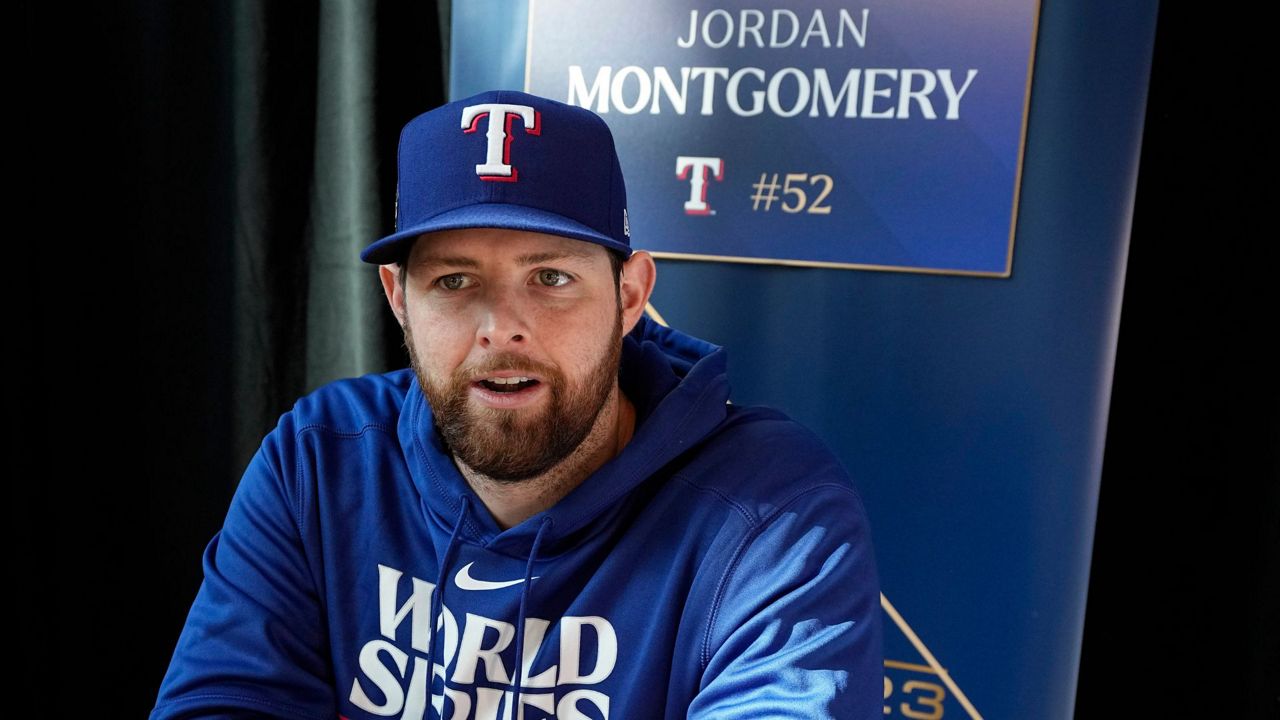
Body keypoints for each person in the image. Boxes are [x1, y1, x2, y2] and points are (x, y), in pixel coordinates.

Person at [151, 89, 883, 720]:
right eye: (455, 282)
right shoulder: (319, 460)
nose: (502, 326)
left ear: (630, 296)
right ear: (397, 299)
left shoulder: (771, 512)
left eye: (552, 277)